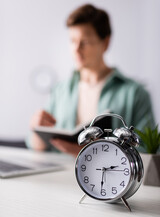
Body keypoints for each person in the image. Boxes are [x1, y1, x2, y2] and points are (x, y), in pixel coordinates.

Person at [27, 4, 155, 156]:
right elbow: (35, 145)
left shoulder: (135, 93)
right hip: (58, 174)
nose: (76, 49)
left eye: (85, 42)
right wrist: (37, 132)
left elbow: (148, 150)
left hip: (108, 176)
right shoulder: (60, 90)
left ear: (105, 43)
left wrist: (95, 154)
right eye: (72, 41)